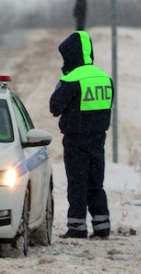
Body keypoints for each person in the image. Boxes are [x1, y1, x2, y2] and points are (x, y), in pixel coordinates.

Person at [50, 30, 113, 239]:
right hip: (98, 138)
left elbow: (55, 107)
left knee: (77, 184)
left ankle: (77, 228)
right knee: (96, 184)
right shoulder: (104, 77)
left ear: (72, 54)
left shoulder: (73, 78)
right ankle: (102, 226)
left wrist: (62, 82)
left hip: (76, 140)